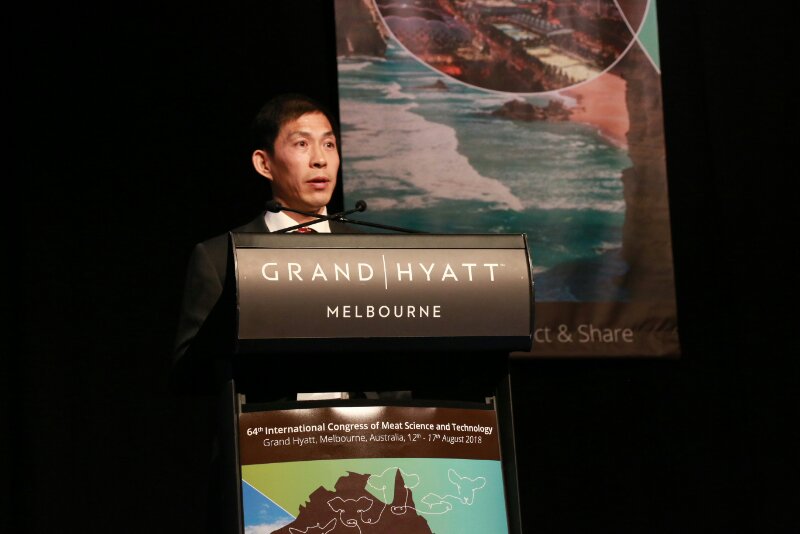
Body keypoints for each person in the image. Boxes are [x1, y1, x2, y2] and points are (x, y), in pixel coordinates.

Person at [170, 93, 361, 395]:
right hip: (268, 422)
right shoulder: (220, 257)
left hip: (364, 423)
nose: (320, 159)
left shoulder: (371, 251)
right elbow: (192, 376)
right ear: (264, 163)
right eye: (302, 144)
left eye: (328, 144)